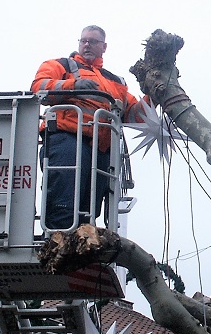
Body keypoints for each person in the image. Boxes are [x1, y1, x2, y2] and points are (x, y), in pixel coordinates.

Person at [31, 25, 147, 230]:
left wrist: (153, 97)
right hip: (66, 139)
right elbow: (39, 88)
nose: (86, 45)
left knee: (90, 207)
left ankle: (83, 247)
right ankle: (58, 243)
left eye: (92, 41)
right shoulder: (61, 65)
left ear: (104, 47)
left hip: (100, 149)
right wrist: (72, 86)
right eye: (83, 40)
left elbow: (132, 113)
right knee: (64, 201)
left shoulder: (115, 81)